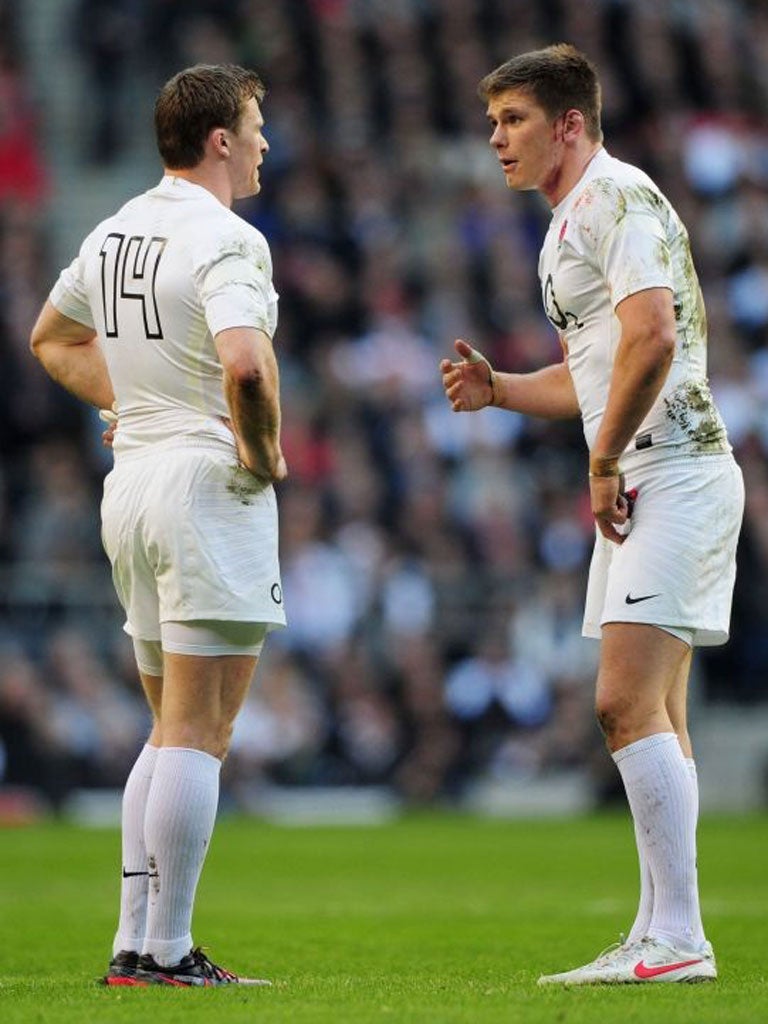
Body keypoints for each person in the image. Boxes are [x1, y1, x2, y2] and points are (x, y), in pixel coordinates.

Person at [440, 44, 743, 986]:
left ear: (569, 124)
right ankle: (662, 931)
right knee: (656, 710)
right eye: (493, 123)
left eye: (514, 120)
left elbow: (652, 335)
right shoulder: (569, 220)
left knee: (620, 702)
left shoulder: (616, 197)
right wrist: (499, 391)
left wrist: (605, 458)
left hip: (674, 470)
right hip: (648, 473)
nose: (496, 139)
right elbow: (595, 377)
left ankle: (680, 939)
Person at [30, 63, 286, 987]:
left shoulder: (114, 229)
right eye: (256, 127)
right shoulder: (229, 238)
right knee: (198, 730)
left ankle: (135, 945)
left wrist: (128, 397)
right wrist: (262, 453)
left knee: (166, 728)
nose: (264, 143)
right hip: (202, 484)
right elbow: (248, 369)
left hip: (131, 481)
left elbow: (51, 338)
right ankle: (168, 950)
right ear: (220, 139)